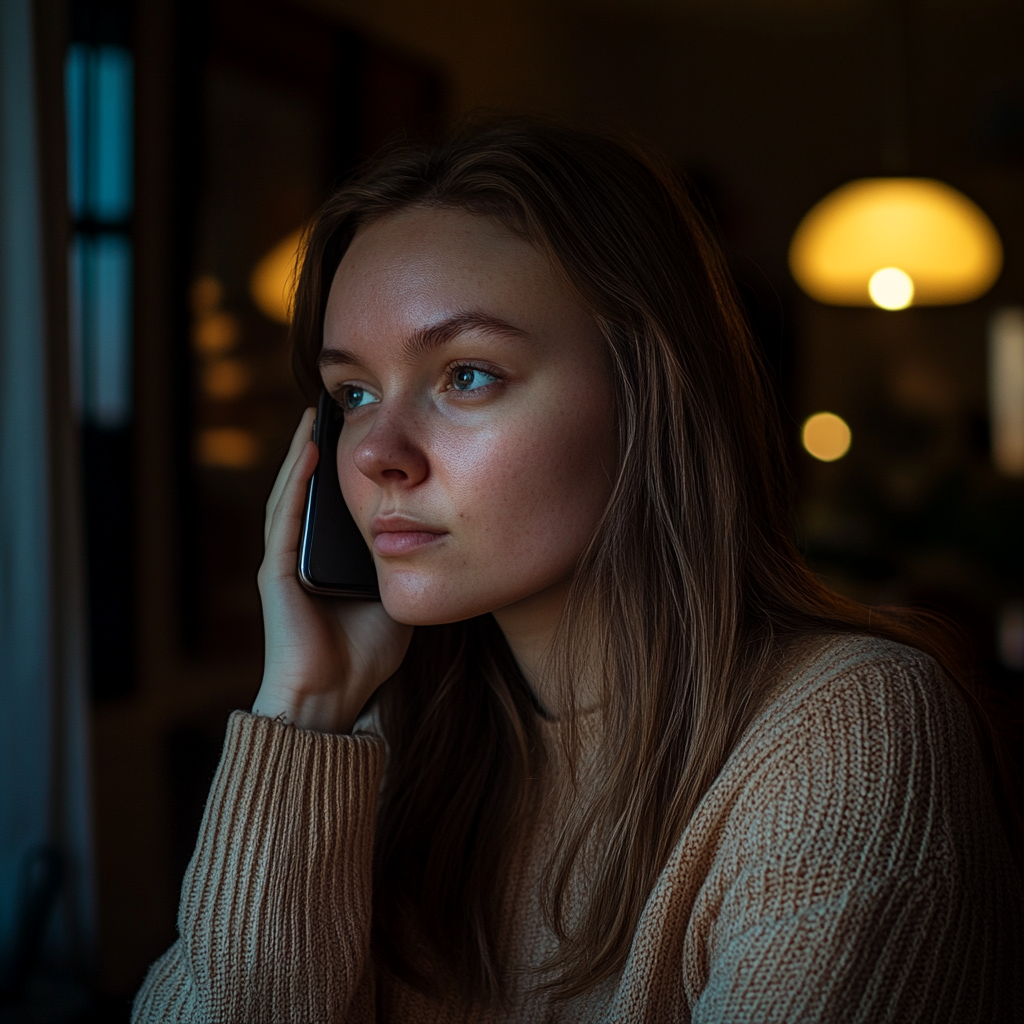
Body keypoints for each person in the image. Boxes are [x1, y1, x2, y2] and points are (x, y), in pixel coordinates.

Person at [133, 120, 1023, 1023]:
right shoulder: (389, 743)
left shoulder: (852, 735)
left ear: (649, 396)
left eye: (467, 375)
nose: (377, 456)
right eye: (353, 394)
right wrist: (306, 710)